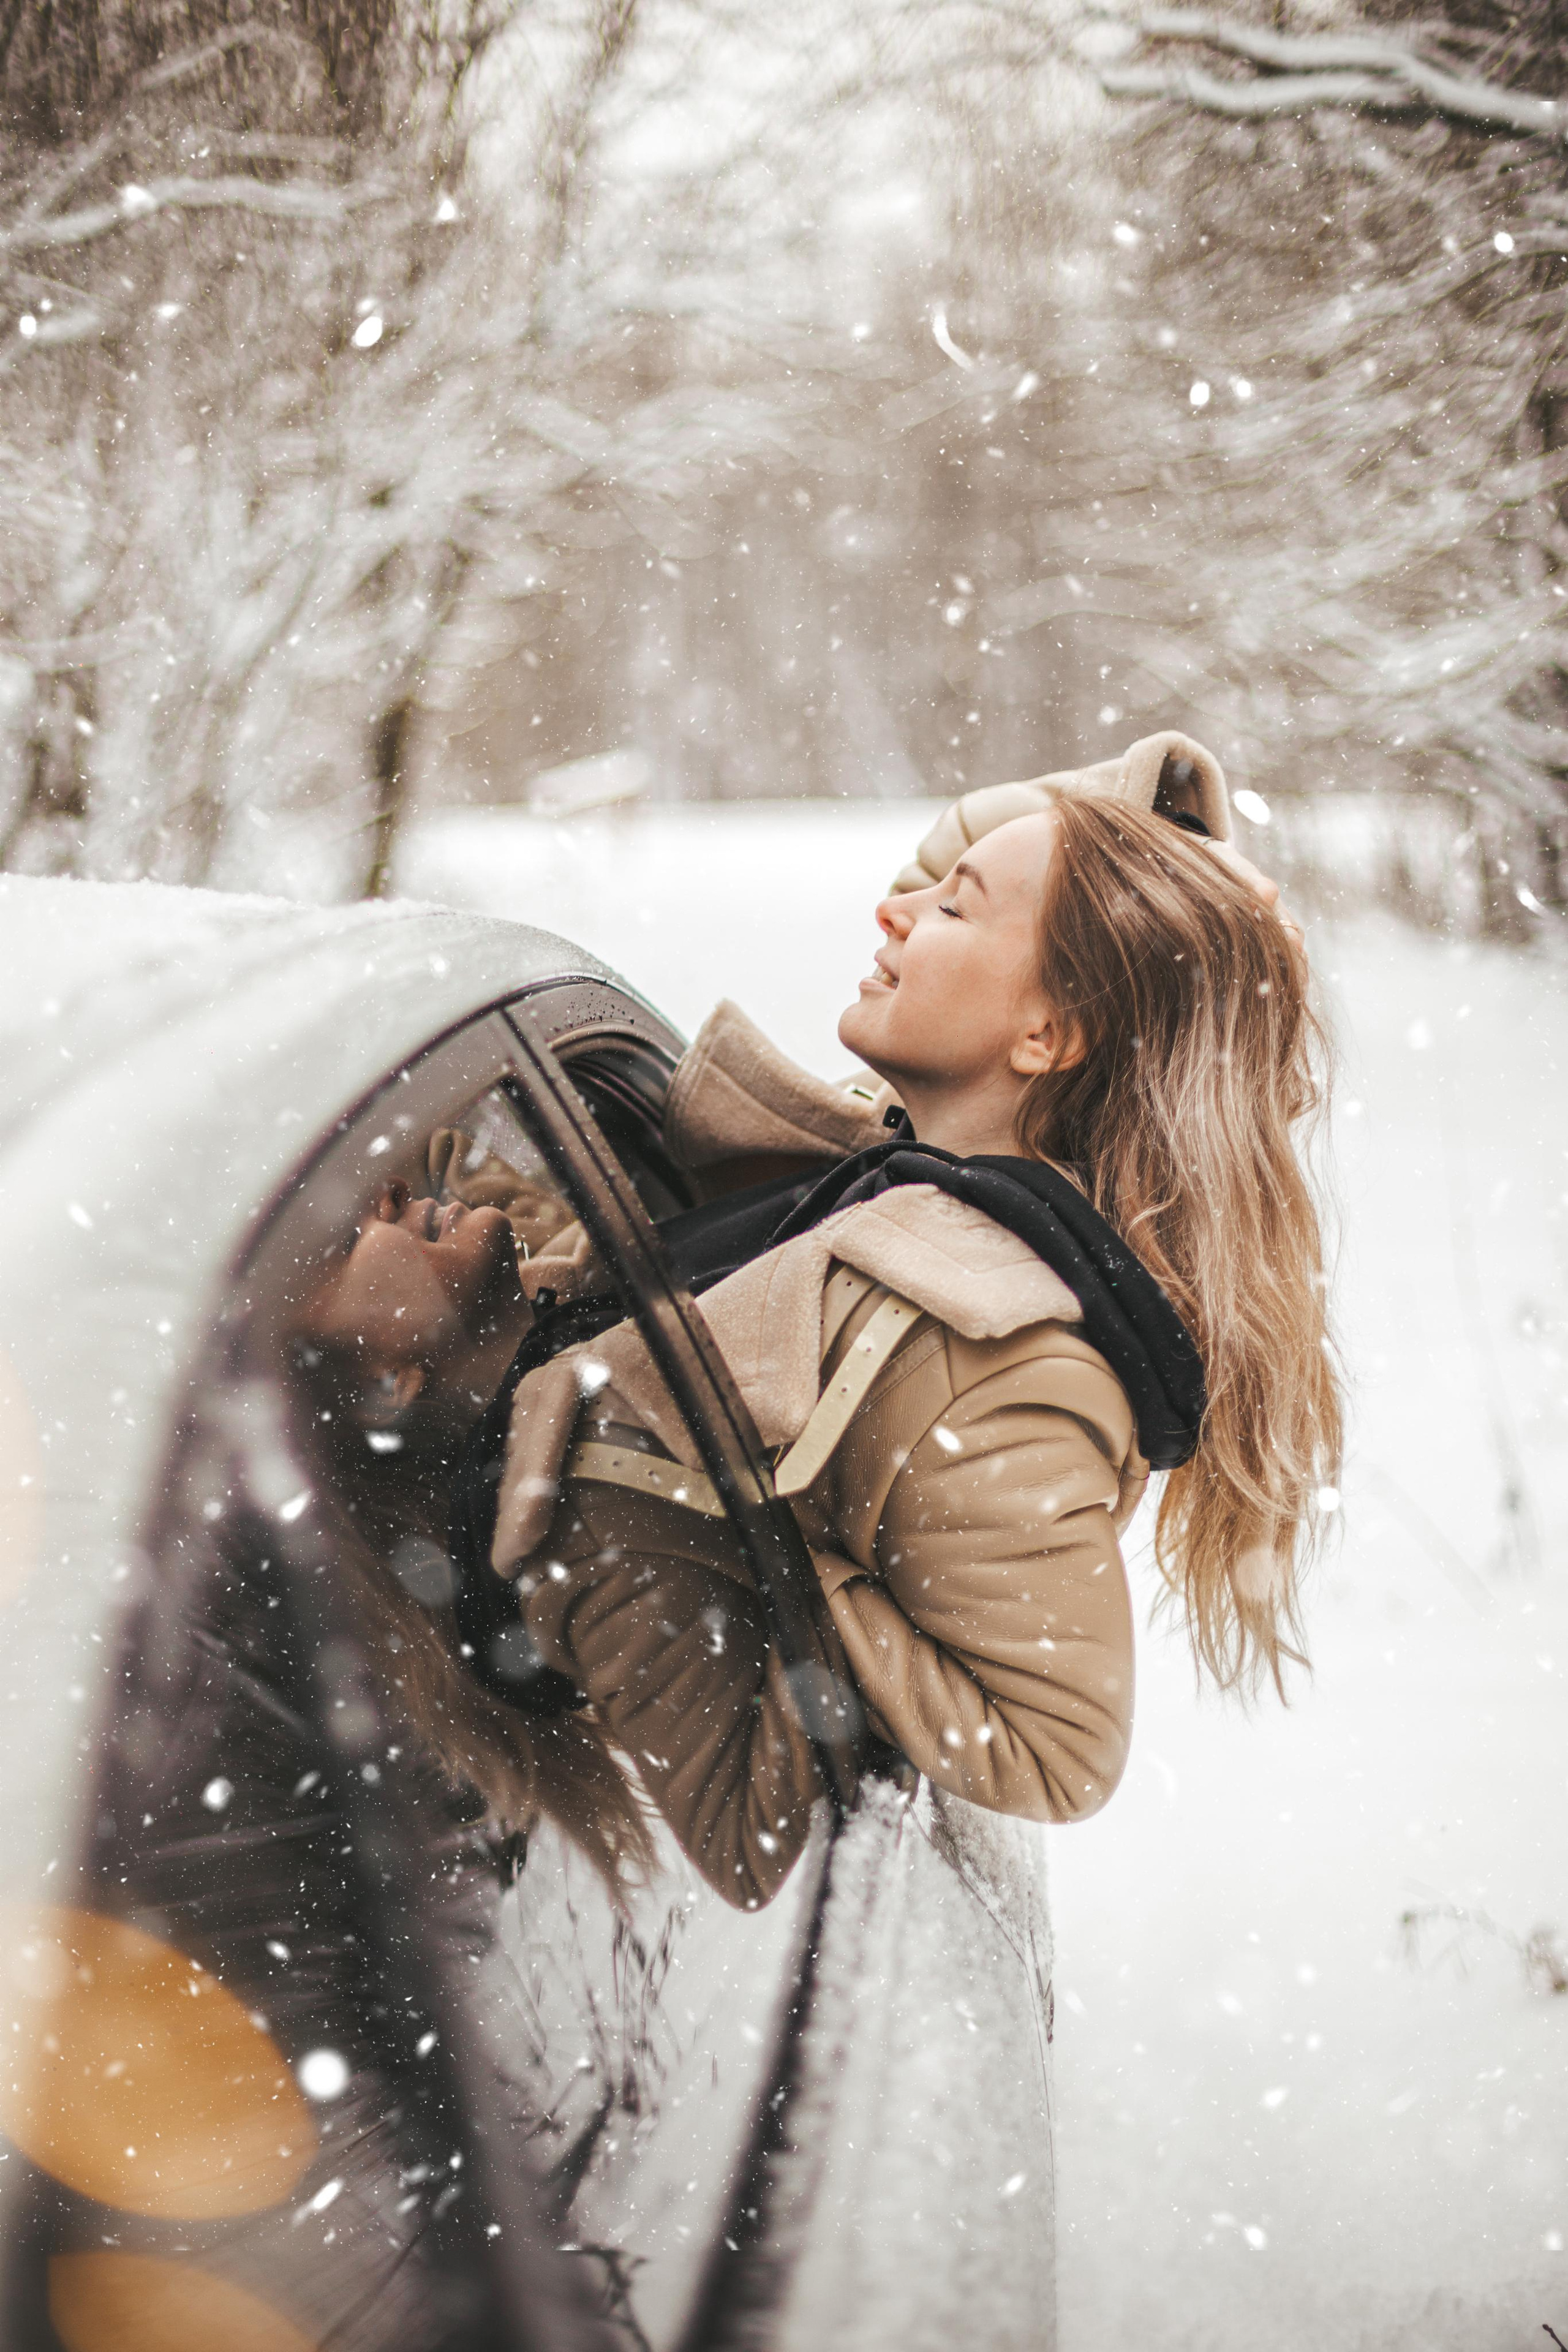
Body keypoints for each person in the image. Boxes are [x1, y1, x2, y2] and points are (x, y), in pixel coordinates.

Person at [446, 729, 1341, 1910]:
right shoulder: (891, 1170)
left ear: (1044, 1037)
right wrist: (1169, 852)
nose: (894, 912)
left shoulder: (995, 1363)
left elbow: (1057, 1750)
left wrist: (782, 1564)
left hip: (477, 1746)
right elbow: (1007, 870)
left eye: (952, 913)